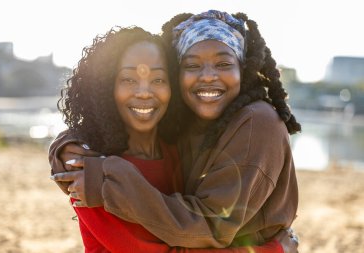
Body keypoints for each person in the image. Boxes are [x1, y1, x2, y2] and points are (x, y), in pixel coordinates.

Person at [50, 9, 301, 251]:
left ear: (243, 69)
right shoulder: (90, 171)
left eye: (223, 63)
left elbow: (211, 225)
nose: (208, 76)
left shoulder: (257, 122)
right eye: (192, 66)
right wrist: (64, 147)